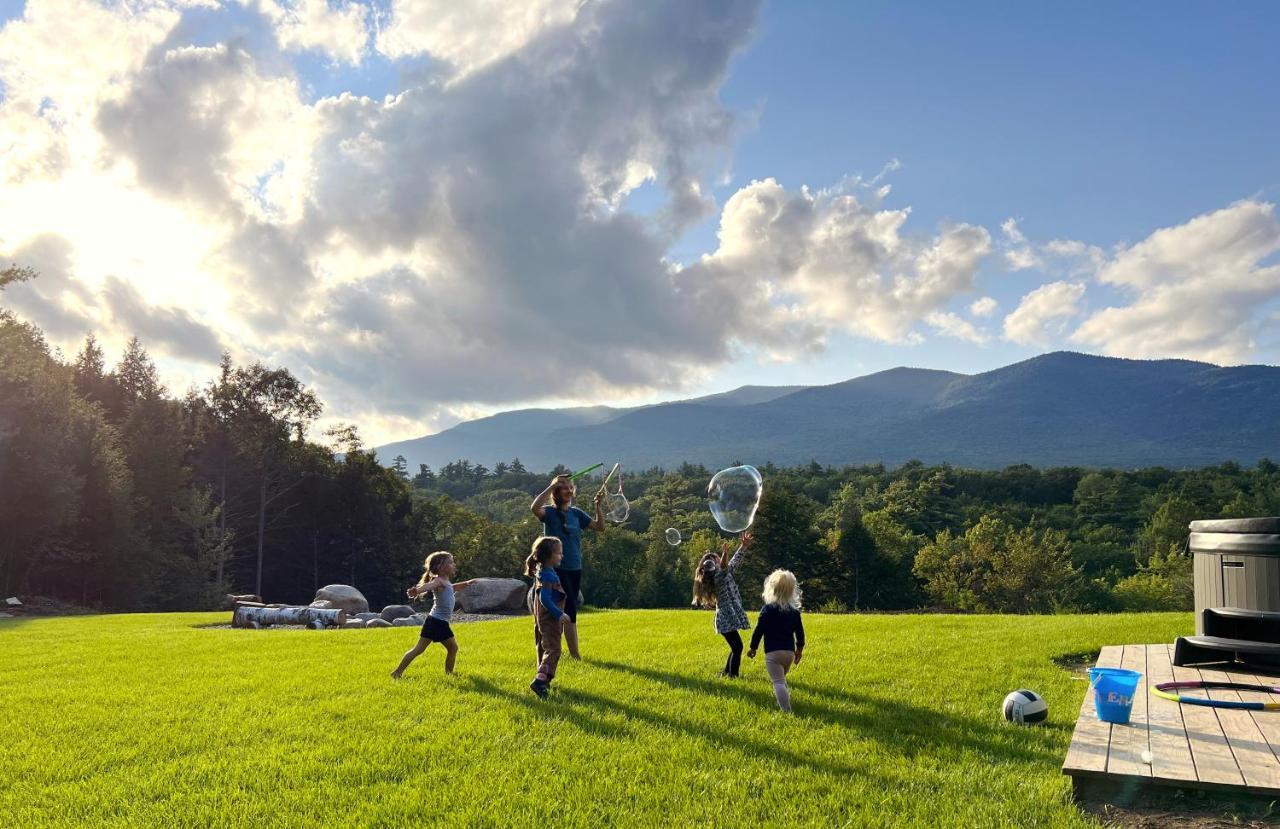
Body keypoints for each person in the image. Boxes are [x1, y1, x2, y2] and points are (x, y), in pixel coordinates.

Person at [530, 472, 604, 658]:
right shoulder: (549, 512)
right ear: (556, 491)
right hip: (554, 569)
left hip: (574, 567)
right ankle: (547, 653)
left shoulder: (576, 514)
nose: (569, 490)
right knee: (547, 614)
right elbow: (534, 507)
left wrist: (598, 506)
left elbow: (599, 527)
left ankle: (574, 655)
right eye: (564, 487)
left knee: (570, 611)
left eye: (571, 487)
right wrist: (551, 485)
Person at [390, 551, 476, 678]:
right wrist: (417, 591)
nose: (453, 565)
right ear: (441, 567)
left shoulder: (446, 582)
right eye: (450, 563)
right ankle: (449, 674)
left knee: (419, 649)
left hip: (435, 621)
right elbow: (428, 586)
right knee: (452, 648)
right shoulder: (438, 581)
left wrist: (467, 583)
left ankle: (397, 672)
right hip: (437, 622)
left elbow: (453, 588)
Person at [691, 532, 753, 677]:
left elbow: (730, 564)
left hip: (725, 617)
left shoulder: (719, 575)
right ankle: (733, 675)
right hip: (726, 617)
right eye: (717, 559)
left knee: (736, 647)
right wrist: (728, 551)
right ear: (714, 566)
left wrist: (742, 547)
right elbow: (728, 565)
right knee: (738, 647)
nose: (719, 559)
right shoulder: (719, 577)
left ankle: (726, 673)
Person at [747, 569, 805, 712]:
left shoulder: (767, 610)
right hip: (789, 653)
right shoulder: (794, 612)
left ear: (771, 589)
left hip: (773, 653)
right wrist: (799, 650)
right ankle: (782, 701)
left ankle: (786, 710)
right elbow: (800, 633)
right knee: (781, 680)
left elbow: (759, 630)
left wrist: (753, 647)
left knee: (778, 682)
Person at [526, 536, 567, 698]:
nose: (561, 556)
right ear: (549, 555)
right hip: (550, 619)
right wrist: (559, 614)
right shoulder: (549, 576)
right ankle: (540, 681)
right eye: (559, 553)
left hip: (541, 619)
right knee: (554, 649)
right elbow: (545, 599)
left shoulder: (542, 571)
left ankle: (543, 679)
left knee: (544, 647)